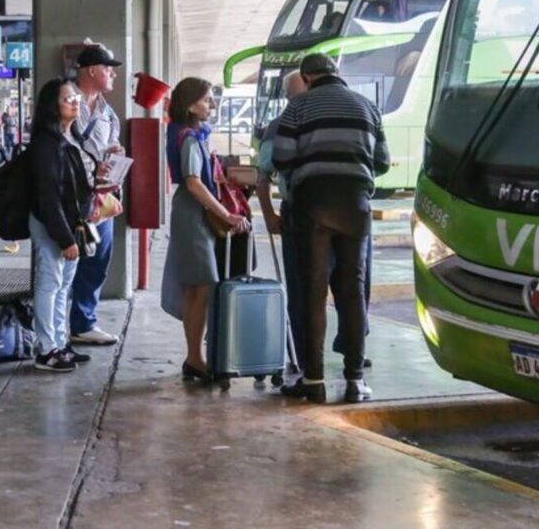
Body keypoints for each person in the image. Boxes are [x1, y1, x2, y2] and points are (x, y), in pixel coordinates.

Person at [273, 53, 389, 404]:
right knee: (352, 292)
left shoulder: (298, 107)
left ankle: (313, 380)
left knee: (313, 292)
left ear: (307, 77)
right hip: (356, 205)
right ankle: (355, 380)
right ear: (336, 73)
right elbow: (381, 161)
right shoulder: (367, 107)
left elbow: (282, 157)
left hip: (314, 205)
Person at [161, 77, 249, 381]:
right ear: (189, 104)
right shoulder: (188, 137)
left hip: (192, 212)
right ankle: (195, 358)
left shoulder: (187, 133)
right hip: (192, 214)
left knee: (199, 286)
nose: (211, 105)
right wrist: (226, 214)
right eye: (207, 99)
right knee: (200, 284)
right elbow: (194, 182)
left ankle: (195, 357)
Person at [27, 78, 95, 373]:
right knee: (49, 284)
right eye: (68, 98)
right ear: (51, 106)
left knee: (63, 285)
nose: (75, 102)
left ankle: (60, 341)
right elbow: (47, 196)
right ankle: (46, 349)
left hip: (71, 221)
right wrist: (65, 238)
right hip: (52, 223)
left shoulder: (72, 138)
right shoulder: (46, 143)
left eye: (76, 98)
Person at [69, 43, 123, 346]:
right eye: (108, 70)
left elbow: (110, 144)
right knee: (64, 262)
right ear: (92, 71)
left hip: (100, 196)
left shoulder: (108, 113)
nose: (113, 76)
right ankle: (51, 331)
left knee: (98, 258)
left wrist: (115, 154)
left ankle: (83, 322)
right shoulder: (64, 100)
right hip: (70, 196)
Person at [255, 69, 306, 368]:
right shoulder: (277, 127)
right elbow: (263, 177)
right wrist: (269, 215)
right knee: (300, 285)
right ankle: (300, 352)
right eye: (295, 96)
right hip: (296, 211)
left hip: (308, 211)